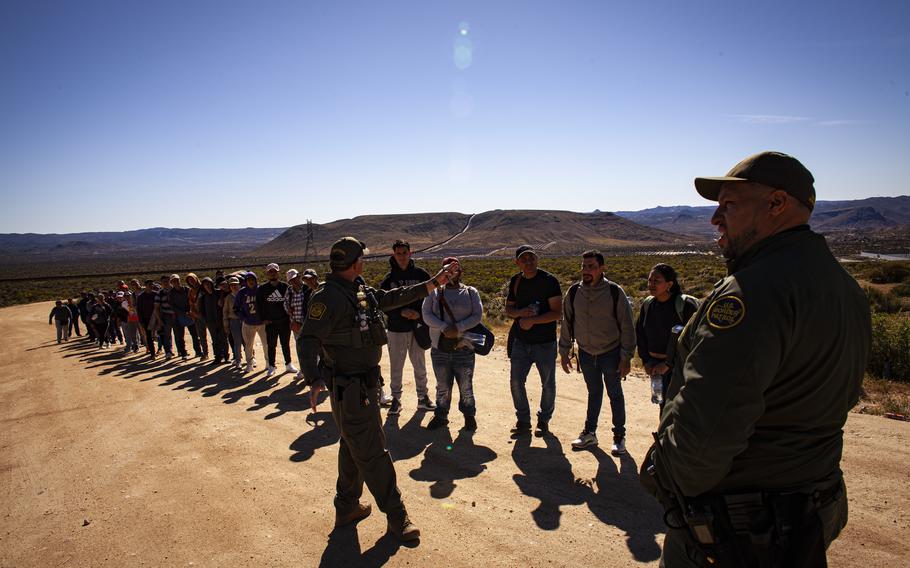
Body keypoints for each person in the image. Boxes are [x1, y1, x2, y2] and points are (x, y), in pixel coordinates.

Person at [641, 151, 871, 567]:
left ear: (777, 203)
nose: (715, 219)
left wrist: (663, 473)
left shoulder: (752, 292)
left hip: (743, 524)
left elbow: (705, 432)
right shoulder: (843, 286)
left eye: (728, 205)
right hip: (810, 504)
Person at [298, 237, 455, 542]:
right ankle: (397, 516)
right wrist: (313, 379)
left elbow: (391, 297)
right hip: (350, 386)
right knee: (373, 452)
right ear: (354, 262)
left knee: (352, 444)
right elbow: (307, 339)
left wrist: (433, 283)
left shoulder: (357, 289)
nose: (365, 263)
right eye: (362, 259)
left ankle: (346, 506)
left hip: (364, 385)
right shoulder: (328, 296)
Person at [557, 250, 635, 454]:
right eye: (584, 266)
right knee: (594, 393)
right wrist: (564, 352)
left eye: (591, 266)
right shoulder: (574, 292)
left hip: (611, 352)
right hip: (585, 353)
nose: (586, 270)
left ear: (602, 268)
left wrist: (626, 357)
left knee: (615, 394)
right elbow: (566, 322)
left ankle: (619, 437)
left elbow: (627, 325)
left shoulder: (614, 292)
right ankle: (589, 433)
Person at [505, 245, 563, 436]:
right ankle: (523, 421)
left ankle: (544, 421)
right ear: (517, 263)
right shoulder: (516, 281)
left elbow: (557, 312)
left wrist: (532, 321)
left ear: (537, 259)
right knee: (515, 382)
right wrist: (521, 313)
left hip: (545, 343)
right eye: (524, 259)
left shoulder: (549, 281)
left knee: (547, 384)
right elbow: (509, 309)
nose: (528, 262)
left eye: (532, 258)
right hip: (521, 342)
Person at [421, 257, 483, 431]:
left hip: (464, 348)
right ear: (442, 272)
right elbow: (426, 314)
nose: (451, 273)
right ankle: (441, 415)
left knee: (466, 385)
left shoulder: (470, 292)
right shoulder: (434, 293)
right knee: (442, 385)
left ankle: (469, 416)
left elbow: (477, 315)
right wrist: (443, 327)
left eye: (455, 269)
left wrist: (458, 328)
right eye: (447, 269)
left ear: (460, 271)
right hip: (440, 348)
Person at [379, 239, 435, 415]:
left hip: (418, 327)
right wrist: (400, 312)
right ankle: (396, 399)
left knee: (420, 365)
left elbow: (431, 298)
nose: (402, 257)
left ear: (410, 253)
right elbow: (383, 304)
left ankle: (423, 398)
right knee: (396, 366)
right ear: (393, 255)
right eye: (398, 253)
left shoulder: (421, 275)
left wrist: (419, 314)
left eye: (404, 253)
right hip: (396, 329)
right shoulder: (389, 280)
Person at [636, 264, 699, 412]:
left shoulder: (685, 306)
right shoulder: (648, 305)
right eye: (650, 280)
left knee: (679, 407)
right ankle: (663, 434)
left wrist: (668, 363)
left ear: (669, 284)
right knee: (662, 405)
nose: (651, 284)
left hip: (678, 368)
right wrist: (646, 361)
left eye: (656, 281)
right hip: (655, 367)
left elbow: (692, 341)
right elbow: (640, 334)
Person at [257, 263, 295, 376]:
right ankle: (271, 366)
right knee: (271, 345)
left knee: (285, 344)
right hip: (270, 323)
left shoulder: (285, 287)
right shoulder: (262, 289)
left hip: (284, 321)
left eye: (275, 271)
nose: (273, 273)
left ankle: (288, 364)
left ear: (278, 272)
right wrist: (262, 319)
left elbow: (291, 302)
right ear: (267, 274)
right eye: (270, 272)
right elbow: (258, 305)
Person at [234, 272, 267, 373]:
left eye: (252, 279)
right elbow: (235, 308)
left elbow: (268, 305)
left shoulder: (261, 290)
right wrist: (243, 318)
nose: (251, 282)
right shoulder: (242, 292)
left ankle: (269, 363)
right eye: (248, 280)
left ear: (256, 280)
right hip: (248, 323)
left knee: (266, 344)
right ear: (245, 281)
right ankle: (249, 363)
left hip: (261, 323)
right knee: (248, 345)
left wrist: (266, 317)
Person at [284, 268, 312, 380]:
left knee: (313, 348)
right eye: (292, 280)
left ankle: (316, 372)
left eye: (295, 278)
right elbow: (285, 304)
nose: (294, 281)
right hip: (296, 324)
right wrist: (289, 311)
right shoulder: (289, 291)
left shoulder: (307, 288)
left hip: (309, 324)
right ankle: (303, 370)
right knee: (300, 349)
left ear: (299, 277)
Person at [168, 275, 201, 360]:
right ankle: (183, 353)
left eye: (177, 280)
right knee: (180, 336)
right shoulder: (171, 293)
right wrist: (183, 313)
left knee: (194, 334)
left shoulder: (187, 290)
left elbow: (191, 301)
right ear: (171, 283)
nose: (176, 282)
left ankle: (198, 351)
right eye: (173, 281)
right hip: (178, 317)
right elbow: (172, 306)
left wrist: (190, 312)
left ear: (180, 280)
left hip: (190, 315)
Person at [199, 277, 227, 364]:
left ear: (212, 284)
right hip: (211, 322)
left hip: (221, 320)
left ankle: (226, 356)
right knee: (215, 340)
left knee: (223, 339)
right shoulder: (203, 297)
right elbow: (201, 311)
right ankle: (217, 357)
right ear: (203, 286)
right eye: (205, 284)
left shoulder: (219, 293)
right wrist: (206, 321)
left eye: (209, 284)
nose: (207, 286)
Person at [222, 276, 245, 368]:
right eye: (232, 285)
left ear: (239, 285)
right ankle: (238, 360)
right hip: (234, 321)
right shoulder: (228, 298)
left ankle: (251, 358)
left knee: (247, 341)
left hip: (244, 320)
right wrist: (226, 324)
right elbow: (225, 311)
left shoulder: (244, 295)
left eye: (235, 285)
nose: (234, 287)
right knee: (237, 341)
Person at [186, 273, 209, 360]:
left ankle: (219, 353)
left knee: (215, 334)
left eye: (192, 279)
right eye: (189, 280)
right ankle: (205, 353)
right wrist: (194, 314)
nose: (191, 281)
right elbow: (191, 303)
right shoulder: (191, 291)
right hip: (198, 316)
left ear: (196, 278)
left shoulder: (204, 288)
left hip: (207, 314)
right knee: (202, 336)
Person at [154, 275, 176, 359]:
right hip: (166, 315)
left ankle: (181, 351)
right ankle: (168, 351)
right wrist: (159, 319)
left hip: (177, 314)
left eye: (167, 281)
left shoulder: (175, 290)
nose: (166, 283)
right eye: (164, 282)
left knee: (178, 334)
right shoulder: (160, 293)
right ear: (162, 283)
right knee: (167, 335)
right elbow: (156, 308)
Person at [136, 279, 157, 358]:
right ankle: (152, 353)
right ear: (146, 286)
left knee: (160, 334)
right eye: (149, 285)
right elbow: (139, 310)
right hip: (146, 319)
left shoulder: (156, 295)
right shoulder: (141, 297)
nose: (151, 286)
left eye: (152, 284)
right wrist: (141, 321)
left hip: (156, 317)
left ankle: (165, 350)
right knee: (148, 336)